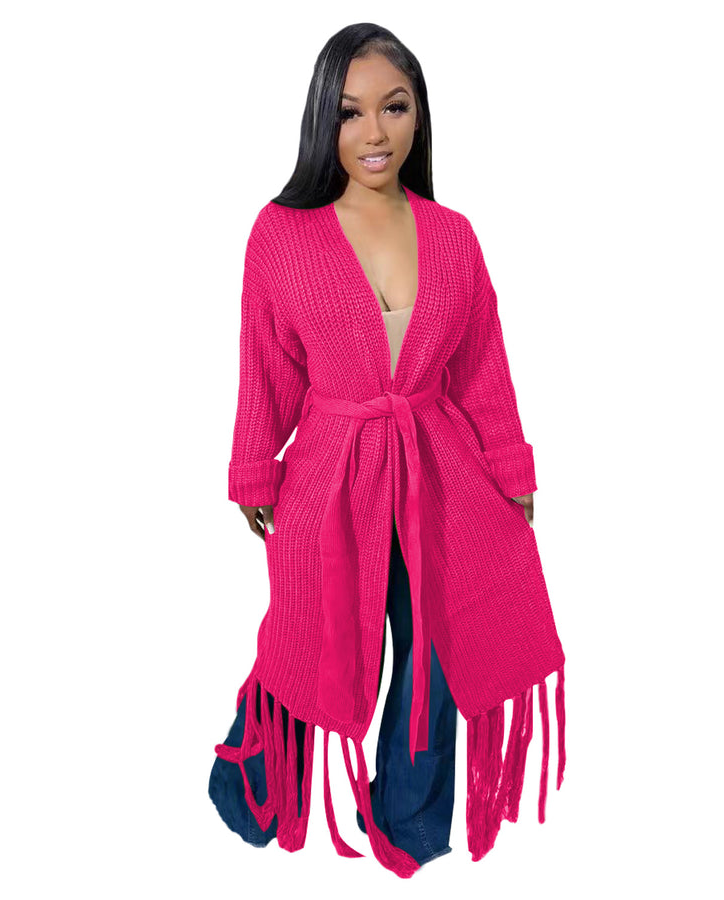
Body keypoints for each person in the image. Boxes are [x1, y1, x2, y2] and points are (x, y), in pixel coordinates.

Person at [209, 23, 567, 879]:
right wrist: (255, 468)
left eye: (394, 108)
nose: (374, 132)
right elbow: (264, 364)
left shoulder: (453, 234)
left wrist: (511, 469)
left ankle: (411, 818)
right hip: (332, 477)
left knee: (440, 649)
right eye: (351, 112)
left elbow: (481, 366)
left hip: (444, 473)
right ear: (322, 121)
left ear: (419, 115)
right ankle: (256, 793)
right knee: (312, 639)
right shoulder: (282, 233)